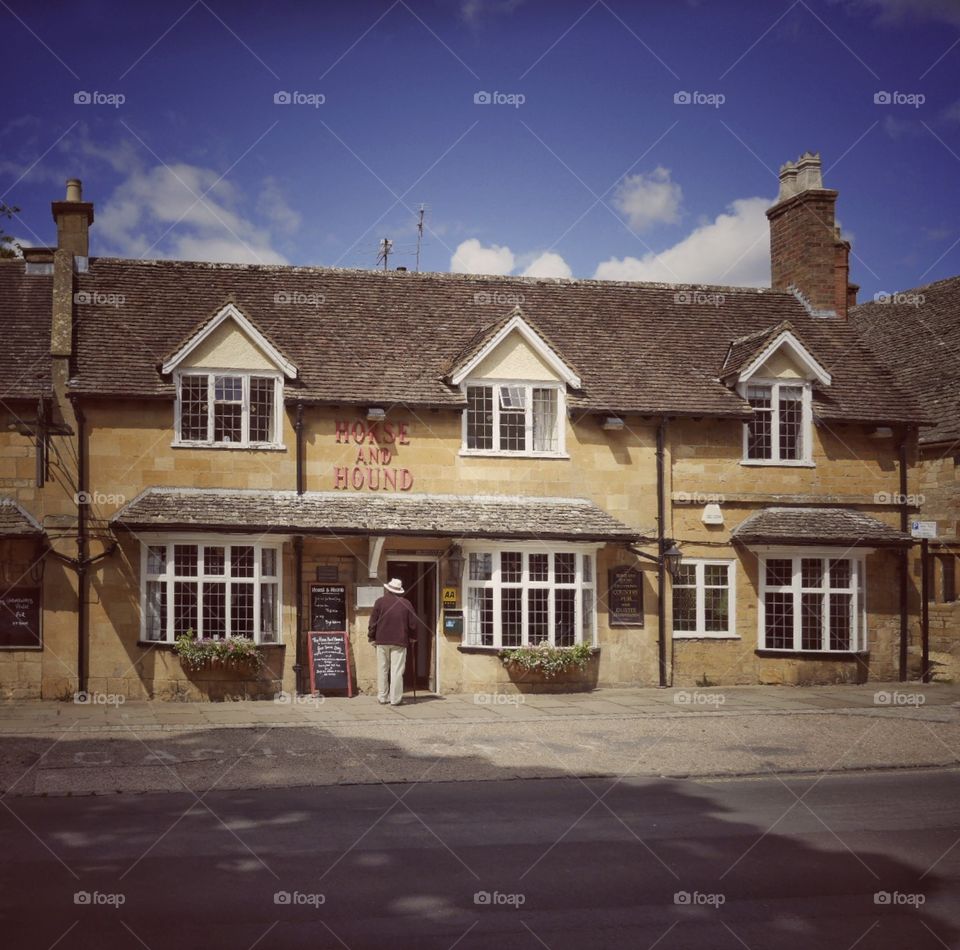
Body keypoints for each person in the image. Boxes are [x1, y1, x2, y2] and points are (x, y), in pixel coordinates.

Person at [368, 578, 417, 706]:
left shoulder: (379, 602)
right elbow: (413, 624)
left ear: (387, 589)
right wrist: (412, 637)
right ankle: (395, 699)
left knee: (382, 668)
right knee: (397, 671)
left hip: (382, 640)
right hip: (399, 641)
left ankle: (382, 697)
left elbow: (373, 621)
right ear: (399, 591)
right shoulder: (407, 603)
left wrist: (371, 637)